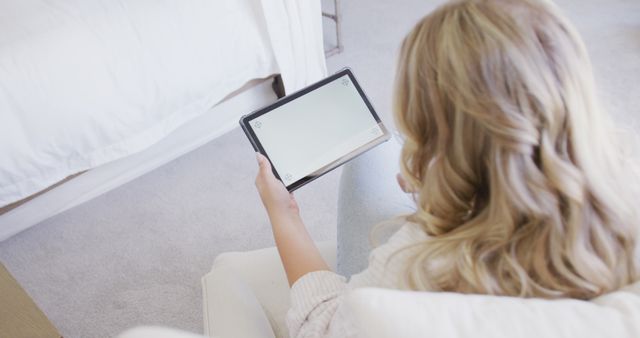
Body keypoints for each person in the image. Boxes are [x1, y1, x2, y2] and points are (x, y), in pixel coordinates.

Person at [254, 0, 640, 336]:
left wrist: (283, 215)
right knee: (382, 148)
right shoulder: (626, 187)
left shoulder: (408, 267)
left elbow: (322, 326)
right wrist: (440, 183)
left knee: (377, 153)